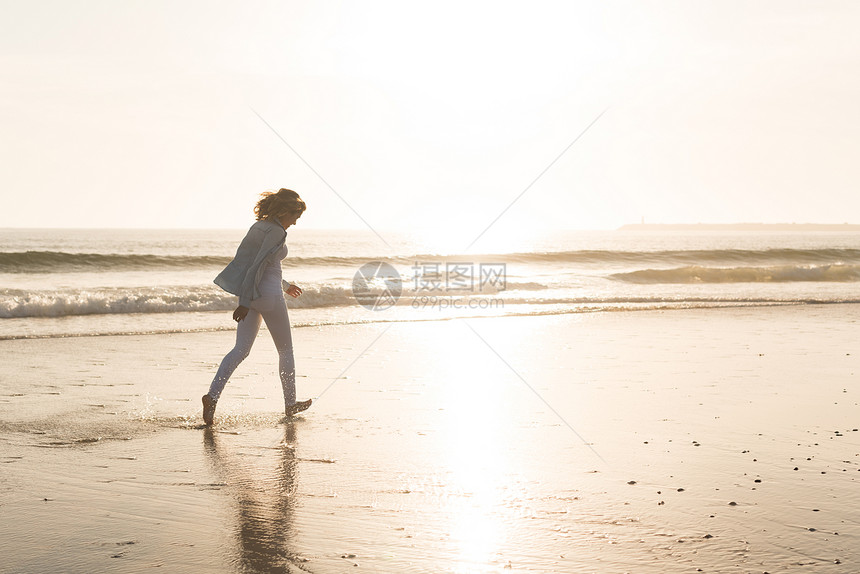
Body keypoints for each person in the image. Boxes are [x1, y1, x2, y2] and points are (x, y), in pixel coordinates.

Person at [203, 188, 312, 425]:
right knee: (286, 351)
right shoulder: (277, 232)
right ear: (285, 211)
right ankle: (290, 404)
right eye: (295, 216)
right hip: (268, 298)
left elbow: (252, 265)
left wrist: (281, 286)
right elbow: (257, 268)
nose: (295, 222)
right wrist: (246, 302)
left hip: (252, 294)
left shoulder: (257, 227)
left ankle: (212, 397)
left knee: (240, 350)